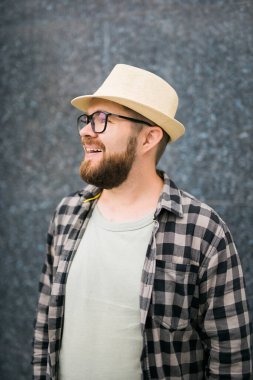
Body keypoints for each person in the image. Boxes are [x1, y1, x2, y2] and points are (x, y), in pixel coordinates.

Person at [32, 64, 252, 380]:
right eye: (87, 119)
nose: (85, 130)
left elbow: (232, 362)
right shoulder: (67, 213)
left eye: (102, 119)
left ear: (148, 138)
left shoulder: (204, 232)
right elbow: (44, 330)